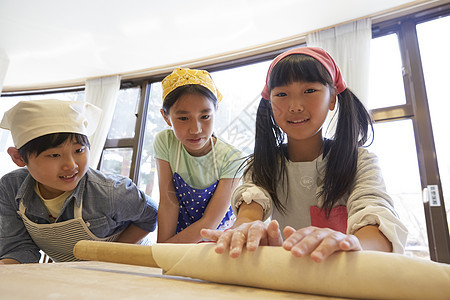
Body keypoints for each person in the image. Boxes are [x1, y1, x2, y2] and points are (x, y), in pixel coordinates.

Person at [201, 47, 408, 262]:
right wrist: (244, 230)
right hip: (290, 279)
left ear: (332, 98)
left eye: (309, 91)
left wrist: (353, 244)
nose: (295, 106)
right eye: (281, 94)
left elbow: (374, 213)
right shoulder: (261, 164)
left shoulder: (360, 161)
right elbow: (250, 209)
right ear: (270, 103)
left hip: (347, 276)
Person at [0, 99, 158, 264]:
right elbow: (18, 248)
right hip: (73, 274)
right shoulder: (11, 187)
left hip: (129, 267)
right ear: (18, 157)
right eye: (54, 155)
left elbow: (151, 214)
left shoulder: (111, 191)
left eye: (79, 150)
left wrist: (112, 255)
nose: (71, 165)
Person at [155, 67, 244, 243]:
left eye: (205, 116)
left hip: (216, 242)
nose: (195, 129)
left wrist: (165, 250)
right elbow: (168, 202)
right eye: (183, 118)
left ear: (216, 109)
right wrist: (160, 254)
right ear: (166, 118)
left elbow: (210, 222)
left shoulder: (232, 158)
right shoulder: (165, 141)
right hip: (179, 237)